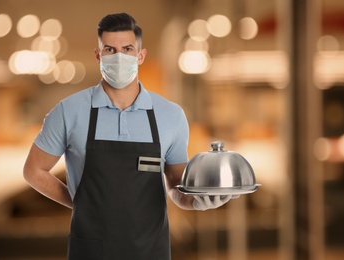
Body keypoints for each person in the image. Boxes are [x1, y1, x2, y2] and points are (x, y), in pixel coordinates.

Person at [23, 13, 234, 260]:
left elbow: (176, 186)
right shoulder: (69, 111)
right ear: (98, 54)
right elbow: (34, 171)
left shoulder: (170, 115)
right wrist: (79, 204)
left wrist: (197, 202)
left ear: (140, 55)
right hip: (91, 250)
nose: (119, 57)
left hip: (150, 251)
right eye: (110, 49)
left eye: (127, 49)